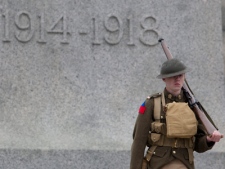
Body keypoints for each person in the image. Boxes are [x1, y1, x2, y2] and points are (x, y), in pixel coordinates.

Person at [130, 58, 222, 169]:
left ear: (184, 77)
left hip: (185, 163)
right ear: (164, 78)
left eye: (180, 75)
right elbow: (139, 141)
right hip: (158, 163)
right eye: (172, 76)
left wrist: (208, 140)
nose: (177, 79)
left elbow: (199, 145)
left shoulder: (193, 106)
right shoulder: (152, 103)